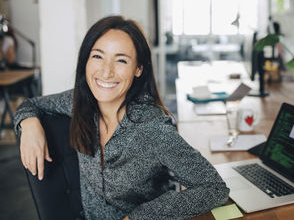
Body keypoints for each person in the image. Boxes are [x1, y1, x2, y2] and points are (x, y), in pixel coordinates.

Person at [14, 16, 229, 219]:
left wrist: (140, 217)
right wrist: (30, 125)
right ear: (85, 61)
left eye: (121, 61)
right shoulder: (80, 102)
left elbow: (214, 188)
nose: (106, 72)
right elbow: (31, 104)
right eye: (97, 56)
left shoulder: (151, 127)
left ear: (138, 69)